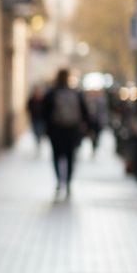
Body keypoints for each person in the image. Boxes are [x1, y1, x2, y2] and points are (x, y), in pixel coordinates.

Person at [43, 68, 90, 197]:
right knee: (70, 156)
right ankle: (68, 182)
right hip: (72, 130)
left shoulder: (52, 93)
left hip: (56, 130)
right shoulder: (76, 93)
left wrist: (46, 129)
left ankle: (59, 181)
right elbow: (85, 113)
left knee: (56, 156)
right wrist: (85, 128)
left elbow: (45, 113)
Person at [26, 83, 48, 151]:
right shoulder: (32, 99)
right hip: (34, 118)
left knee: (40, 131)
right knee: (36, 131)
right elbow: (28, 107)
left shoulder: (43, 99)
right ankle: (38, 142)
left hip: (41, 119)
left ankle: (39, 140)